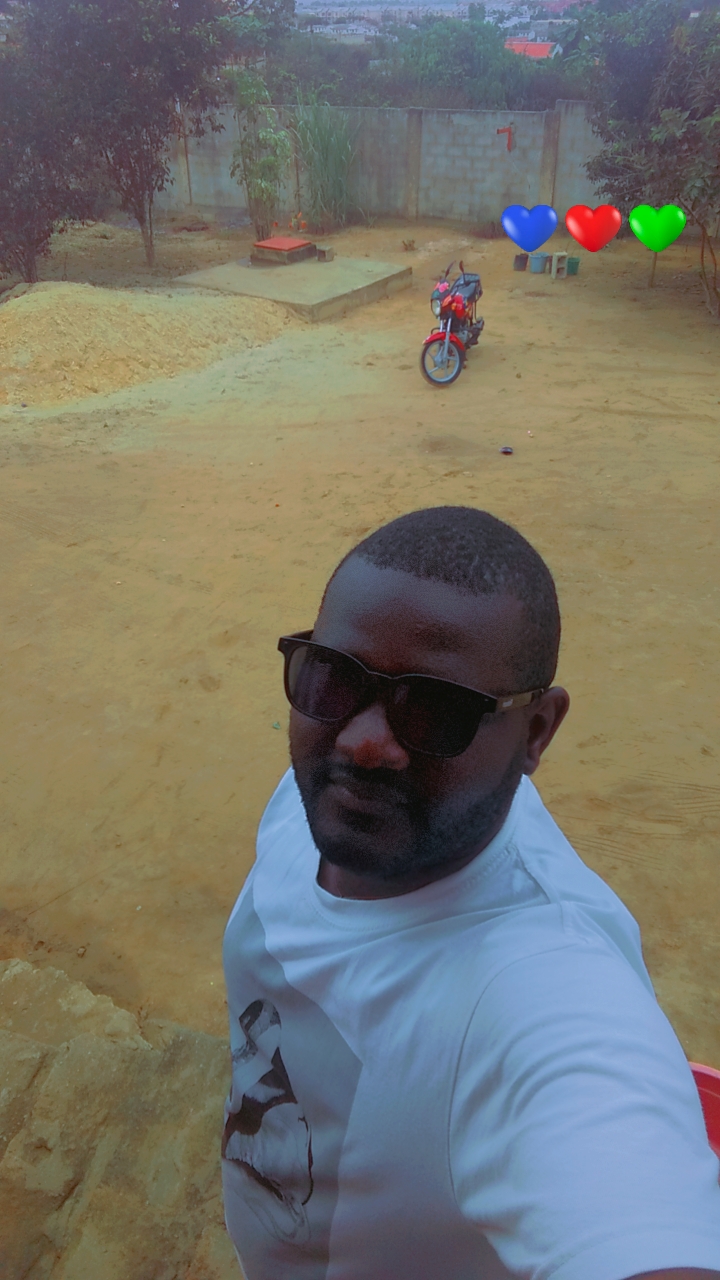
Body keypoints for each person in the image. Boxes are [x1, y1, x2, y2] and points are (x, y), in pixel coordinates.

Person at [221, 506, 720, 1280]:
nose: (363, 741)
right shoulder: (315, 800)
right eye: (333, 677)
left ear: (537, 731)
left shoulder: (540, 994)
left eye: (435, 711)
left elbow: (619, 1185)